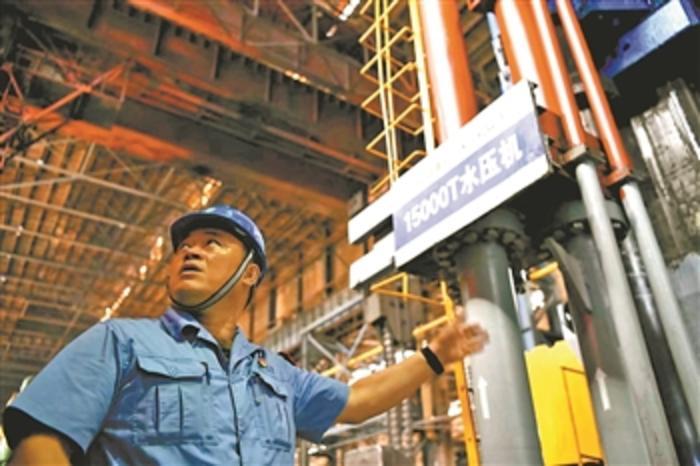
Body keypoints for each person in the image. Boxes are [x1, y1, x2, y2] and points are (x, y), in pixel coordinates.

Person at [2, 205, 489, 465]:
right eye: (183, 247)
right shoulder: (119, 342)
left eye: (211, 243)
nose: (189, 252)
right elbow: (41, 445)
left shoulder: (275, 374)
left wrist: (435, 356)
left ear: (250, 273)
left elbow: (357, 401)